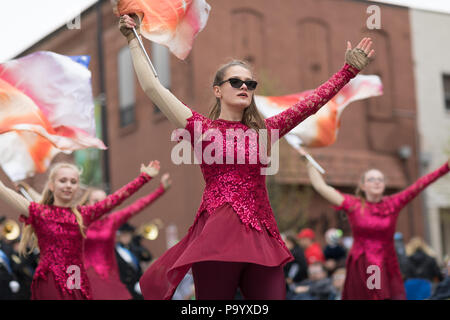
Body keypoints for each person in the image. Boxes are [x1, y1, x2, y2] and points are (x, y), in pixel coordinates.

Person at [118, 14, 374, 300]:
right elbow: (154, 88)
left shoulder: (266, 131)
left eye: (250, 84)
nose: (244, 87)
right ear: (217, 90)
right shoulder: (202, 128)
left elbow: (312, 103)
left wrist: (348, 70)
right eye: (236, 81)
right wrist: (132, 40)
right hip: (217, 237)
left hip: (262, 235)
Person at [0, 160, 159, 300]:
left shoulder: (84, 214)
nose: (68, 185)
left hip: (76, 281)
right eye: (63, 181)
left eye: (73, 181)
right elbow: (5, 192)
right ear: (52, 185)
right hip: (49, 281)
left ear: (77, 187)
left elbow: (116, 198)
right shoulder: (38, 212)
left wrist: (144, 177)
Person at [305, 156, 450, 300]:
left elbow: (420, 185)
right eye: (371, 179)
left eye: (380, 179)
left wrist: (446, 167)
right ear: (363, 186)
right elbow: (321, 187)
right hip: (362, 262)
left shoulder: (393, 203)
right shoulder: (354, 204)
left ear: (384, 185)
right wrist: (307, 160)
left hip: (386, 262)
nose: (376, 182)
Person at [82, 173, 171, 300]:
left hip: (109, 277)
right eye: (96, 201)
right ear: (87, 203)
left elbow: (137, 205)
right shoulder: (80, 220)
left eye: (104, 200)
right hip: (86, 277)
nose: (100, 205)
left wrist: (160, 190)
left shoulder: (112, 220)